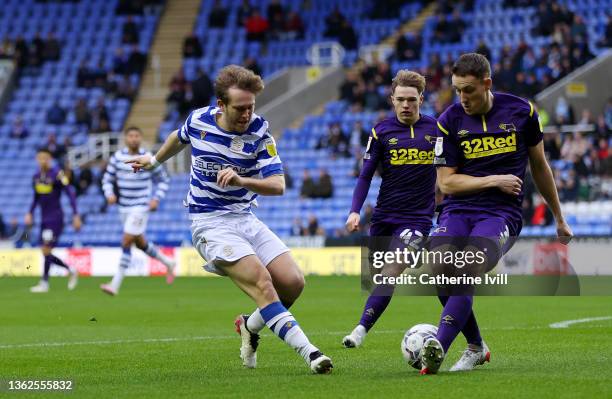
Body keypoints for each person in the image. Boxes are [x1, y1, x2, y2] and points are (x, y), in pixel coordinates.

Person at [125, 65, 333, 374]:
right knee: (264, 282)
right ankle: (311, 353)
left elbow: (278, 185)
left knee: (293, 283)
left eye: (251, 106)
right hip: (209, 222)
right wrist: (155, 160)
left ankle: (249, 325)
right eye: (240, 107)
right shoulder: (199, 120)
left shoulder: (260, 130)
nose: (247, 113)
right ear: (221, 105)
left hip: (245, 218)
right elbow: (178, 136)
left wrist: (242, 180)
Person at [422, 53, 573, 374]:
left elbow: (540, 166)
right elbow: (446, 182)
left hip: (500, 214)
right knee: (439, 268)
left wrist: (559, 216)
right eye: (457, 90)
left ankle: (438, 346)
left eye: (469, 90)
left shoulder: (523, 112)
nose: (462, 98)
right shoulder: (448, 121)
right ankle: (476, 346)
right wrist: (494, 179)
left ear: (487, 84)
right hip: (457, 210)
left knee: (467, 267)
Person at [342, 70, 437, 347]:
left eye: (412, 100)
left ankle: (359, 330)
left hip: (417, 218)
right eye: (400, 100)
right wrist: (355, 210)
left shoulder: (436, 129)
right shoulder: (381, 131)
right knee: (377, 279)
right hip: (384, 218)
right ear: (392, 100)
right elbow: (365, 175)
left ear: (421, 99)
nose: (406, 105)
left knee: (391, 272)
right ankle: (412, 253)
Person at [100, 126, 174, 296]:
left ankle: (115, 284)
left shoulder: (148, 158)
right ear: (125, 138)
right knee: (140, 243)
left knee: (126, 240)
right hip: (123, 207)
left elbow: (163, 180)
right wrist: (109, 194)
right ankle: (168, 262)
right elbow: (107, 179)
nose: (133, 139)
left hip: (141, 206)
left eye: (136, 136)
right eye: (130, 136)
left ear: (140, 138)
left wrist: (156, 198)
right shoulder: (117, 158)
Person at [27, 148, 81, 293]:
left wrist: (76, 214)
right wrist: (30, 213)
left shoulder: (58, 174)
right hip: (44, 219)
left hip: (55, 218)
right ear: (37, 159)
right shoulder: (36, 176)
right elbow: (36, 197)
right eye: (40, 158)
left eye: (45, 158)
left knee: (46, 249)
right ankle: (69, 271)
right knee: (45, 250)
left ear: (50, 158)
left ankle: (46, 282)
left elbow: (70, 192)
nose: (42, 160)